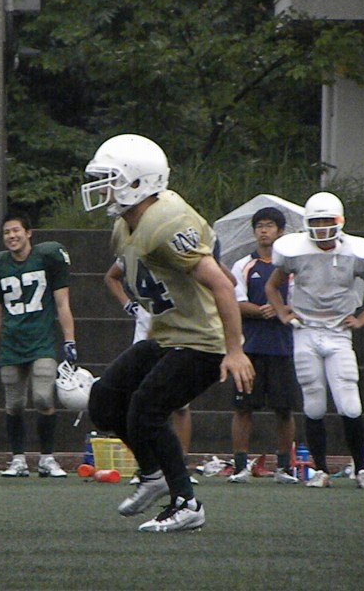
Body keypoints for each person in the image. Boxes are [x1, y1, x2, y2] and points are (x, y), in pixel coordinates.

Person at [81, 133, 254, 532]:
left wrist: (234, 350)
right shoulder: (125, 226)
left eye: (110, 179)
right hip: (167, 335)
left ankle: (186, 502)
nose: (102, 188)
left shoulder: (165, 222)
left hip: (202, 340)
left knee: (147, 408)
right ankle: (153, 474)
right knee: (104, 400)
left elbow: (222, 284)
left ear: (137, 182)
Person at [265, 191, 364, 490]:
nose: (322, 228)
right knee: (314, 403)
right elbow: (272, 286)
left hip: (337, 332)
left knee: (349, 402)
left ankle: (362, 469)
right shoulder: (295, 251)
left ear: (339, 221)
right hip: (305, 331)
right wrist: (282, 312)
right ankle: (320, 470)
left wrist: (361, 319)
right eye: (316, 221)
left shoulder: (354, 252)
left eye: (327, 221)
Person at [0, 213, 76, 478]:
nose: (11, 236)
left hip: (41, 340)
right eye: (6, 232)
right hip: (11, 343)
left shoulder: (47, 257)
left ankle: (47, 458)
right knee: (14, 404)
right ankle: (18, 459)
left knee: (44, 397)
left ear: (28, 232)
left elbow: (62, 304)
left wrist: (70, 339)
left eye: (16, 230)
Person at [103, 260, 197, 485]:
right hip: (147, 326)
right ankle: (148, 466)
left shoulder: (178, 250)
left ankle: (180, 465)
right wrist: (129, 305)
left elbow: (224, 281)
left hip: (178, 325)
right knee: (138, 400)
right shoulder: (134, 249)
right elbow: (111, 276)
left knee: (180, 404)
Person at [228, 207, 299, 485]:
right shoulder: (243, 265)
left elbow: (301, 302)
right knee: (243, 408)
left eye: (269, 226)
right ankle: (240, 467)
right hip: (250, 348)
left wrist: (281, 309)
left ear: (280, 231)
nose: (264, 231)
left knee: (284, 409)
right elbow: (235, 302)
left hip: (284, 347)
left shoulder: (293, 267)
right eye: (259, 226)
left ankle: (284, 468)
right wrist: (262, 310)